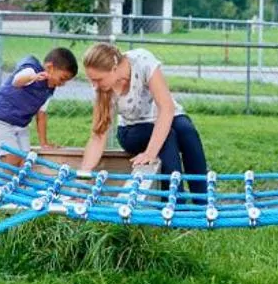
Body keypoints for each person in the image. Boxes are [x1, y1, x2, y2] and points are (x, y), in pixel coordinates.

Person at [78, 42, 207, 192]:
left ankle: (202, 201)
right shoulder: (102, 90)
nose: (94, 85)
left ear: (114, 69)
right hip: (132, 129)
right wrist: (83, 177)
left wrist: (150, 153)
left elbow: (166, 108)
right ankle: (174, 204)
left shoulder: (142, 61)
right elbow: (98, 137)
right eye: (91, 80)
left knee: (187, 131)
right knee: (167, 138)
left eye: (98, 80)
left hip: (163, 115)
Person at [0, 46, 78, 152]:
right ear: (50, 67)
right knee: (11, 157)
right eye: (62, 79)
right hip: (1, 119)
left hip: (20, 125)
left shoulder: (48, 89)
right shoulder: (31, 70)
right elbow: (16, 81)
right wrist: (32, 77)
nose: (63, 84)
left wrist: (44, 143)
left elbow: (41, 114)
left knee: (24, 158)